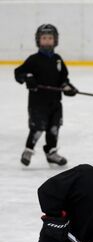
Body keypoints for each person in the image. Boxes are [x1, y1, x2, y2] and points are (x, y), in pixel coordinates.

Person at [14, 24, 78, 167]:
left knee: (54, 128)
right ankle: (28, 150)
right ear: (38, 40)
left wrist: (67, 87)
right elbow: (19, 73)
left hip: (55, 102)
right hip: (38, 103)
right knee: (37, 127)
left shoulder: (58, 59)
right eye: (44, 38)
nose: (47, 41)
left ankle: (51, 152)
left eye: (50, 38)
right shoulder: (33, 59)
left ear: (55, 40)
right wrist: (28, 77)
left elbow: (63, 79)